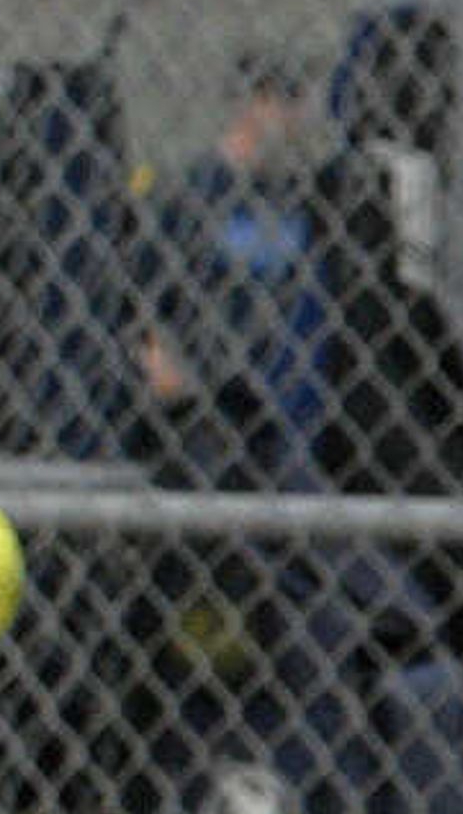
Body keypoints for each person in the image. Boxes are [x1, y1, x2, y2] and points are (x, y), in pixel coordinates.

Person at [132, 50, 326, 495]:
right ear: (251, 103)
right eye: (284, 99)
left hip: (277, 393)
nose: (296, 116)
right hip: (205, 392)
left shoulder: (297, 195)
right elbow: (145, 286)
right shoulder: (194, 189)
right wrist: (160, 360)